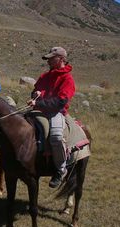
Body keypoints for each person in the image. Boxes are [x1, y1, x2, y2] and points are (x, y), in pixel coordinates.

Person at [27, 47, 76, 188]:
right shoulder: (45, 76)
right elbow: (35, 91)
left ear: (61, 59)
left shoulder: (67, 79)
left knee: (56, 137)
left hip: (56, 112)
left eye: (51, 58)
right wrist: (35, 94)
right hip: (39, 109)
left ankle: (61, 170)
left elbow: (60, 102)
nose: (48, 60)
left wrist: (38, 102)